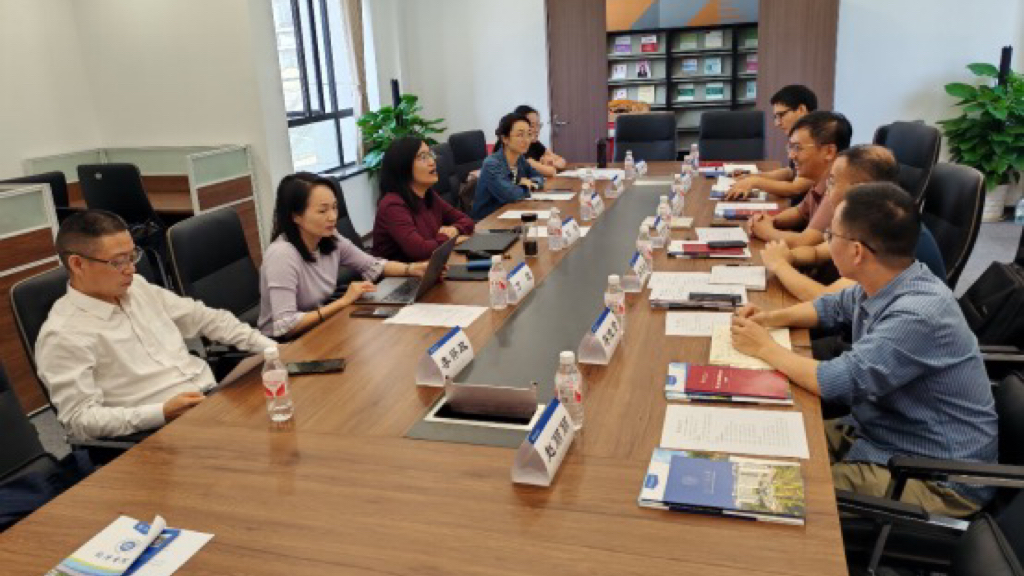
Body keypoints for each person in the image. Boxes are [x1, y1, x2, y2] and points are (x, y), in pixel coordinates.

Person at [730, 183, 998, 517]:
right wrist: (770, 318)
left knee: (776, 490)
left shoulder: (918, 315)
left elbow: (837, 381)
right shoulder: (893, 279)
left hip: (935, 476)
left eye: (831, 235)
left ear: (856, 251)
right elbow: (830, 306)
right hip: (879, 433)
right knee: (761, 440)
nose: (826, 241)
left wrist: (764, 347)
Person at [35, 210, 277, 442]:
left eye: (132, 255)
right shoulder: (63, 334)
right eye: (118, 262)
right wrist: (160, 412)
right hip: (159, 433)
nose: (131, 269)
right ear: (78, 264)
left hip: (211, 401)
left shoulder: (137, 287)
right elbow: (80, 420)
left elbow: (206, 318)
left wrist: (272, 350)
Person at [760, 145, 946, 301]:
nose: (827, 191)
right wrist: (786, 256)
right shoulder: (865, 217)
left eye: (832, 182)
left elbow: (826, 299)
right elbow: (816, 253)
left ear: (859, 190)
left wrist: (780, 266)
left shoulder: (887, 231)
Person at [259, 172, 429, 339]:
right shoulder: (282, 255)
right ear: (296, 216)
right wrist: (343, 301)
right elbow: (287, 325)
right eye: (322, 211)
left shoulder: (330, 238)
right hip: (283, 344)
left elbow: (373, 265)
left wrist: (412, 269)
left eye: (334, 207)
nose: (333, 217)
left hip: (318, 328)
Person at [747, 110, 852, 248]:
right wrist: (771, 220)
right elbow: (800, 213)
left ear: (829, 152)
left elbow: (805, 241)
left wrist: (766, 231)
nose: (791, 155)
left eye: (797, 148)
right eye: (790, 147)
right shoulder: (819, 180)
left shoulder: (838, 188)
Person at [372, 137, 475, 262]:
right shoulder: (392, 205)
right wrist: (448, 238)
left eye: (430, 155)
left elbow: (467, 221)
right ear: (403, 166)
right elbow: (420, 250)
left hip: (429, 266)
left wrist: (454, 229)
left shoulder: (428, 195)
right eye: (423, 157)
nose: (432, 162)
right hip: (402, 273)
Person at [728, 85, 818, 199]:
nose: (777, 123)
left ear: (801, 110)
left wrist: (755, 182)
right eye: (775, 117)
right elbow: (791, 172)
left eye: (781, 115)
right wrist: (753, 176)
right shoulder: (801, 136)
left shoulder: (817, 139)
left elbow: (795, 188)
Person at [471, 112, 544, 220]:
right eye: (520, 135)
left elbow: (539, 177)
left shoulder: (520, 159)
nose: (526, 140)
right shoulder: (491, 164)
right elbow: (511, 195)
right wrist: (525, 186)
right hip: (488, 222)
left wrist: (531, 184)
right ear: (505, 138)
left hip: (512, 213)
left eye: (528, 134)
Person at [513, 104, 566, 178]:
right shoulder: (516, 149)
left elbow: (562, 161)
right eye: (532, 126)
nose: (537, 130)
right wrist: (545, 165)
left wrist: (552, 163)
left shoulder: (535, 143)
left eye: (538, 125)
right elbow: (551, 172)